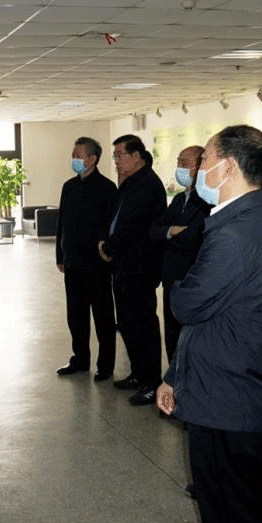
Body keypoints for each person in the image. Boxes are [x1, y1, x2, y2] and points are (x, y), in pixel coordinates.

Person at [157, 125, 262, 523]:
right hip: (239, 390)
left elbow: (186, 304)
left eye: (205, 159)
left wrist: (179, 283)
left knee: (229, 515)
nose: (199, 169)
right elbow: (213, 319)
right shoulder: (257, 219)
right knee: (255, 513)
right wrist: (173, 375)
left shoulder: (235, 235)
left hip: (226, 403)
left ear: (229, 167)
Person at [98, 134, 166, 405]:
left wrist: (109, 247)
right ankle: (138, 374)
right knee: (128, 323)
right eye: (114, 155)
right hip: (125, 266)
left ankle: (151, 381)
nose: (115, 160)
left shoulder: (147, 185)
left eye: (119, 155)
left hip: (140, 267)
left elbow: (132, 226)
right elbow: (116, 218)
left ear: (136, 156)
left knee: (143, 324)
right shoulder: (131, 183)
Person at [55, 137, 119, 381]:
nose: (74, 159)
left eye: (78, 155)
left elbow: (111, 227)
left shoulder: (107, 188)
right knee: (76, 316)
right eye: (73, 155)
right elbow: (62, 224)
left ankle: (105, 365)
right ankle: (80, 359)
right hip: (72, 263)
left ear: (92, 159)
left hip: (97, 264)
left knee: (103, 317)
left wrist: (108, 254)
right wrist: (60, 255)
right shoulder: (69, 187)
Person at [148, 145, 211, 365]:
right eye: (178, 162)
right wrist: (170, 231)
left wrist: (169, 233)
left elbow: (193, 238)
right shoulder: (177, 200)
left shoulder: (206, 202)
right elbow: (154, 231)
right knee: (172, 336)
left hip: (191, 280)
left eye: (185, 163)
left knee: (190, 339)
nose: (179, 168)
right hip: (171, 279)